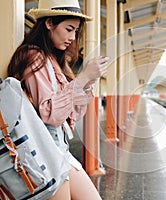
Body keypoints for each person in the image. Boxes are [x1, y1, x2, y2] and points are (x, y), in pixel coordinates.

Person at [7, 0, 107, 199]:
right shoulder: (33, 57)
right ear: (49, 23)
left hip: (59, 150)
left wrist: (87, 83)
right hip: (43, 153)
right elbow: (50, 114)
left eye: (76, 31)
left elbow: (72, 115)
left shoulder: (56, 62)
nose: (72, 37)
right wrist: (84, 77)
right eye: (69, 29)